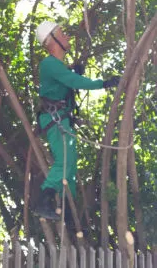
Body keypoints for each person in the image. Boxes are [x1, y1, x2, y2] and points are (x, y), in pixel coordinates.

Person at [34, 21, 119, 220]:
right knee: (64, 162)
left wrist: (72, 71)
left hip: (61, 120)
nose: (67, 37)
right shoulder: (49, 63)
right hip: (55, 120)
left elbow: (65, 83)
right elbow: (72, 82)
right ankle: (44, 198)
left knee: (70, 164)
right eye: (62, 33)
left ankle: (67, 208)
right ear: (52, 40)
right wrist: (103, 83)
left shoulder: (57, 67)